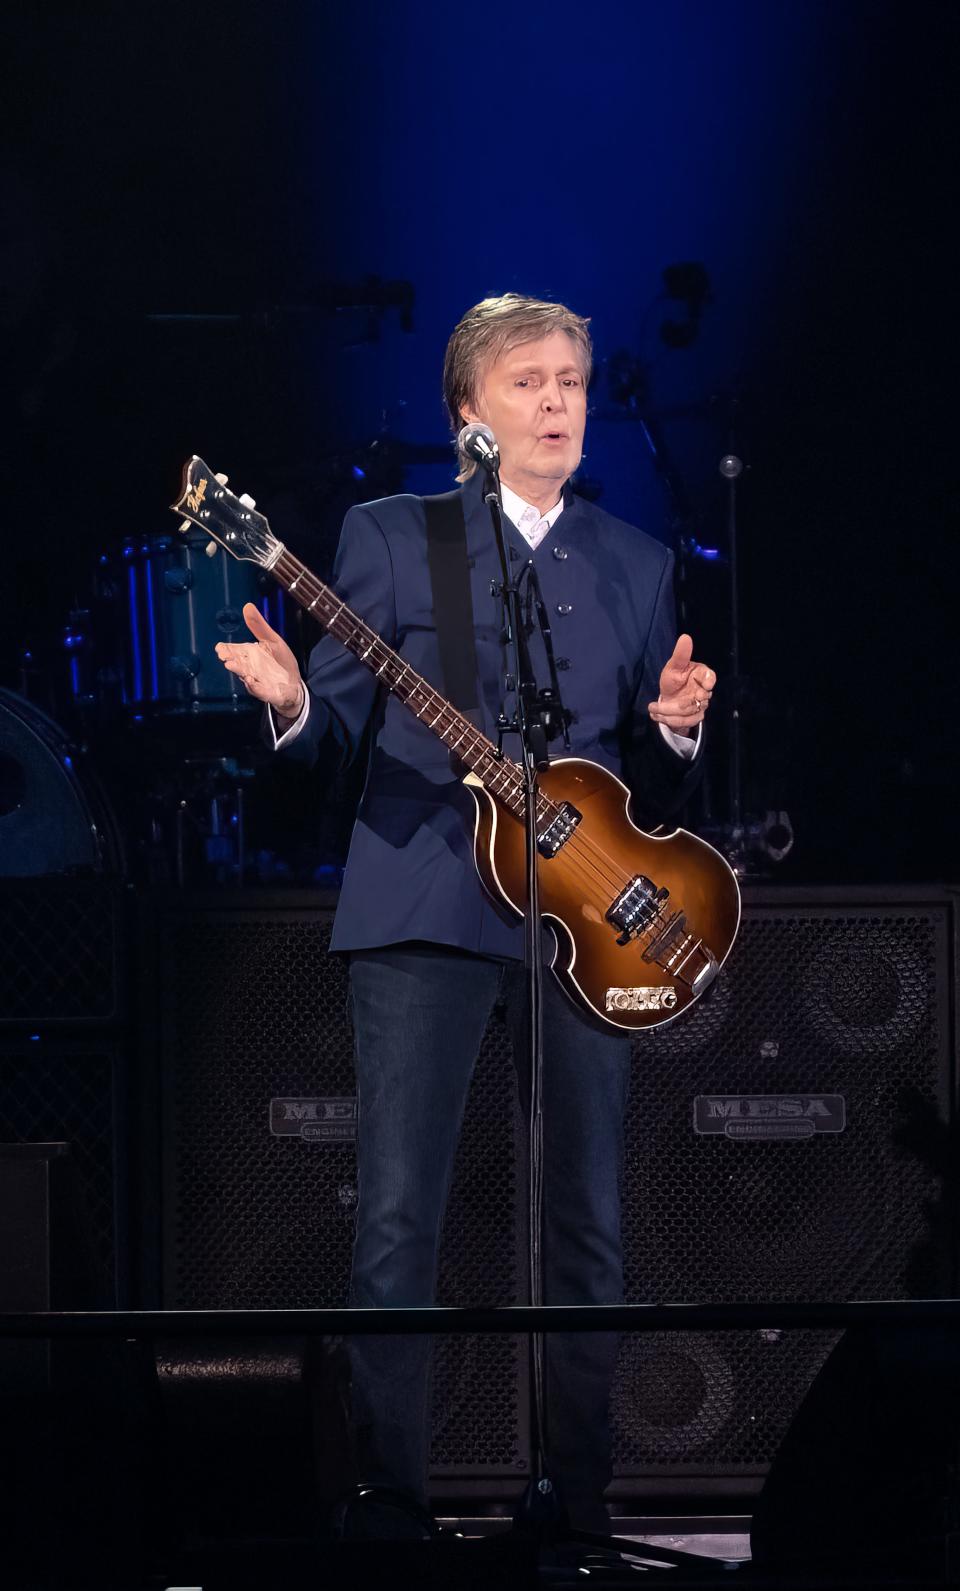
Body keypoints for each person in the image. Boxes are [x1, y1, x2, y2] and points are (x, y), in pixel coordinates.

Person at [215, 294, 715, 1535]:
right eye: (529, 383)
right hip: (425, 903)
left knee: (588, 1216)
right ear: (468, 416)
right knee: (399, 1215)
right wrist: (290, 705)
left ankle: (577, 1500)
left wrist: (679, 730)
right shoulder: (394, 537)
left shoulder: (639, 563)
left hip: (582, 932)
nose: (557, 404)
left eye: (572, 384)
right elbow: (333, 743)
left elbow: (644, 799)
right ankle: (391, 1499)